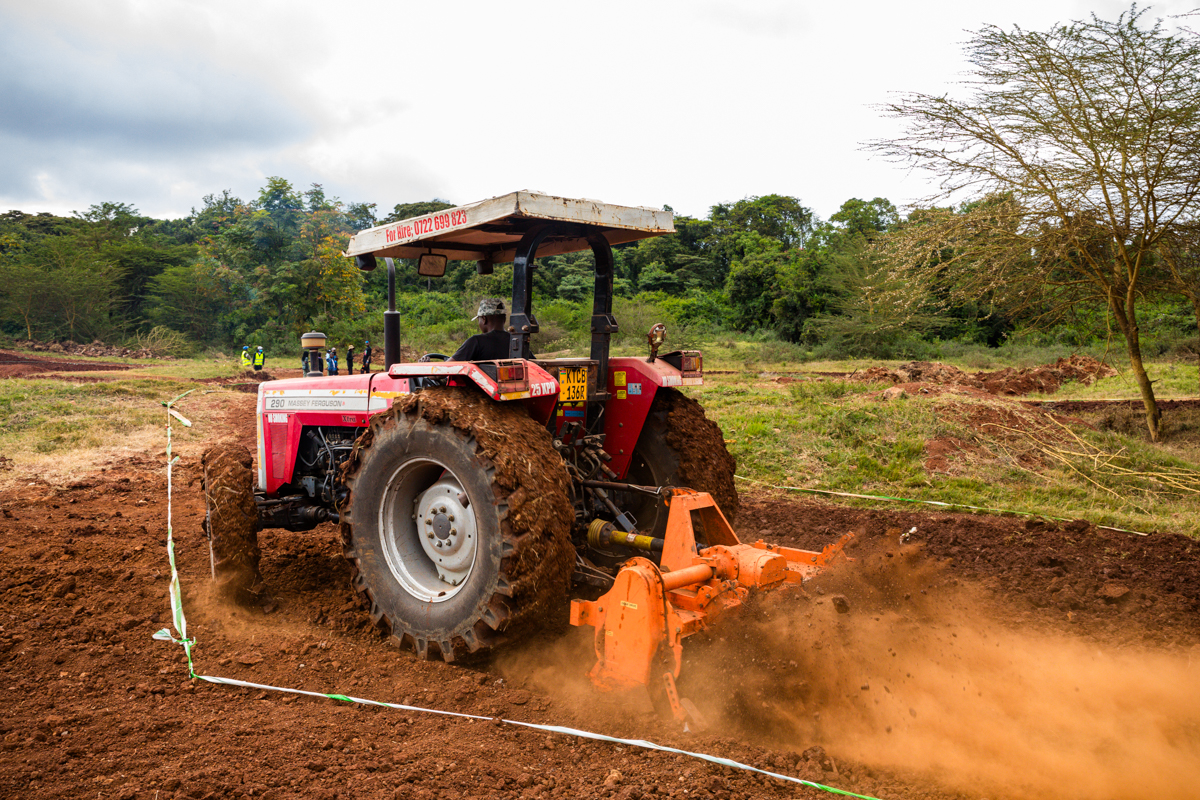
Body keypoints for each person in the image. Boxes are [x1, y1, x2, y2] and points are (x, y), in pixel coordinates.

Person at [450, 298, 534, 361]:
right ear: (504, 319)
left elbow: (447, 367)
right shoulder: (517, 342)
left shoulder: (476, 342)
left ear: (484, 319)